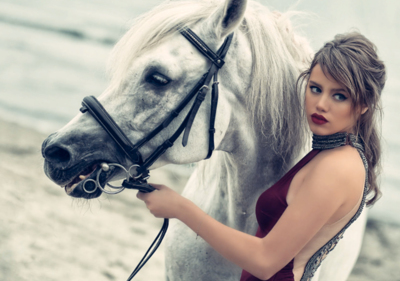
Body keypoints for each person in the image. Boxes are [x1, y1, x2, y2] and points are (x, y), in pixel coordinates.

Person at [137, 31, 386, 281]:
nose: (321, 104)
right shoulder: (331, 154)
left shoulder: (337, 167)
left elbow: (266, 261)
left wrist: (181, 208)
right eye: (315, 88)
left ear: (364, 104)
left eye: (339, 95)